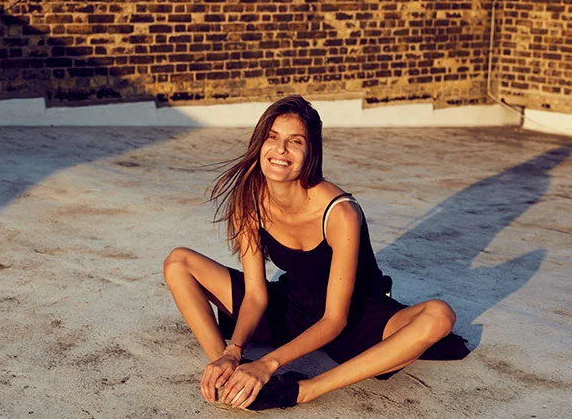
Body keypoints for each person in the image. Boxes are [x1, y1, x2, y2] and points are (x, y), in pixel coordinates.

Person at [163, 95, 469, 410]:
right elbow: (255, 295)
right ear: (260, 143)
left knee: (439, 316)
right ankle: (230, 376)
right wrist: (232, 352)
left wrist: (268, 364)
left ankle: (301, 391)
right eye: (273, 137)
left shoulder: (341, 213)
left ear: (311, 152)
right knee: (179, 262)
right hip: (292, 305)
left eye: (294, 141)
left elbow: (334, 319)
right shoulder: (250, 201)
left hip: (355, 316)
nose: (280, 150)